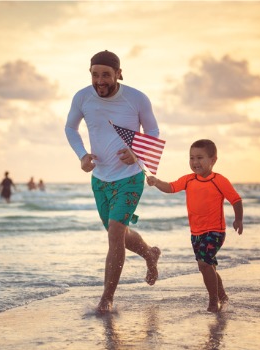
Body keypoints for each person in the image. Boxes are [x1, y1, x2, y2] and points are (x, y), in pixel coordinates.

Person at [65, 50, 161, 313]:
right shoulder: (82, 97)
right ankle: (150, 254)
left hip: (130, 178)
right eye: (95, 74)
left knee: (115, 234)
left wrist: (137, 152)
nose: (100, 80)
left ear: (118, 73)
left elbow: (153, 131)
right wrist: (82, 155)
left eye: (106, 74)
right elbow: (70, 128)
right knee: (117, 233)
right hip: (100, 179)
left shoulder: (136, 98)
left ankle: (107, 298)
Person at [146, 139, 244, 313]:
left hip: (215, 231)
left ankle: (214, 302)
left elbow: (235, 200)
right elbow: (170, 187)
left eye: (200, 158)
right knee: (207, 266)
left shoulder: (219, 180)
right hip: (196, 232)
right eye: (191, 158)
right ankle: (222, 296)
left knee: (204, 264)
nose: (195, 162)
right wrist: (156, 181)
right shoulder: (188, 179)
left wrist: (238, 219)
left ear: (213, 160)